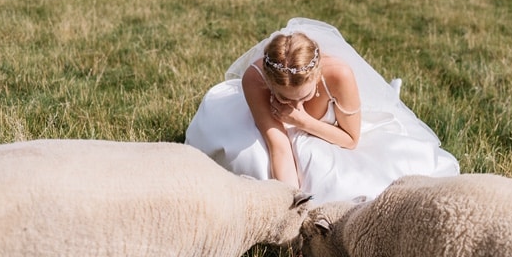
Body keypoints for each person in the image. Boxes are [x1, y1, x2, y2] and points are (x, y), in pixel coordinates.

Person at [186, 18, 459, 203]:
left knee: (346, 183)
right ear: (269, 82)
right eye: (282, 96)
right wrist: (293, 210)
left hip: (334, 134)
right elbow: (278, 144)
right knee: (251, 159)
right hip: (277, 134)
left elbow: (351, 140)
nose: (292, 103)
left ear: (317, 76)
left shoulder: (338, 74)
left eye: (302, 95)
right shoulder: (255, 79)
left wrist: (301, 120)